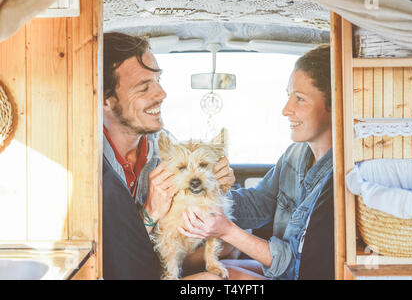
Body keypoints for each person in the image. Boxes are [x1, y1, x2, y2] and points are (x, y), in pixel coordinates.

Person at [179, 44, 334, 280]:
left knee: (208, 280)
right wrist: (211, 192)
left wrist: (226, 230)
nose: (286, 109)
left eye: (300, 99)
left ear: (335, 105)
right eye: (288, 96)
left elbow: (298, 265)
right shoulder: (295, 154)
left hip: (299, 275)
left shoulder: (337, 178)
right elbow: (258, 204)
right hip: (282, 274)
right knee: (217, 265)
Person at [101, 32, 235, 279]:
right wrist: (150, 213)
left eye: (158, 80)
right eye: (144, 87)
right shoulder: (89, 162)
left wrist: (219, 186)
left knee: (233, 259)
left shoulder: (165, 147)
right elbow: (108, 262)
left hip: (161, 261)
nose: (161, 94)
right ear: (105, 100)